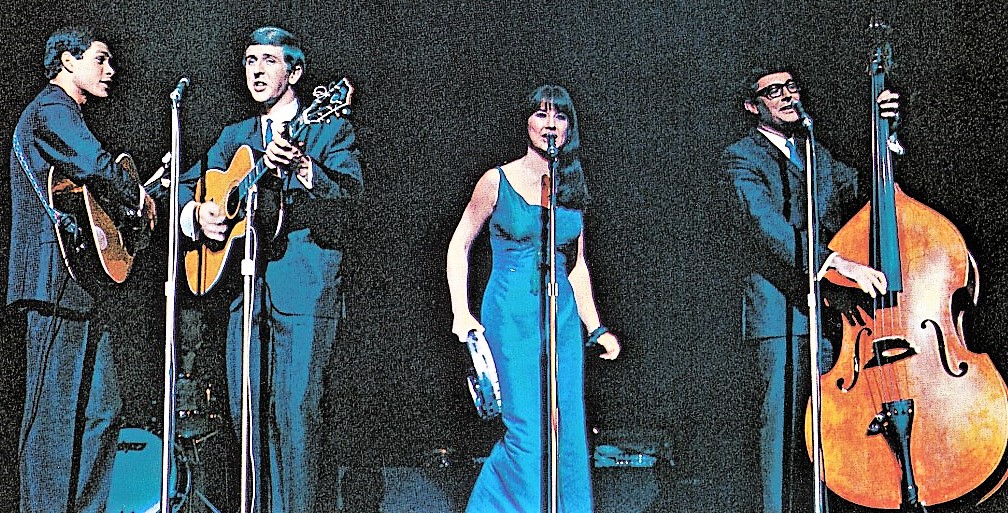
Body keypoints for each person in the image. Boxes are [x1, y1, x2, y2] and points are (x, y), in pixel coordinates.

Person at [177, 26, 363, 513]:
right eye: (249, 61)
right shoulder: (235, 136)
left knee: (296, 417)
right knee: (247, 415)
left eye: (268, 61)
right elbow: (187, 184)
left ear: (294, 72)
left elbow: (353, 200)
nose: (256, 71)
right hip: (246, 291)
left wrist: (303, 168)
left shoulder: (327, 127)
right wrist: (196, 214)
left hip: (304, 291)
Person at [719, 65, 898, 513]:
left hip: (833, 317)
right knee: (781, 437)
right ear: (752, 106)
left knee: (831, 433)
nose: (786, 96)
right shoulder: (741, 157)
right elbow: (766, 225)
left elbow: (867, 189)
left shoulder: (814, 153)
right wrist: (835, 263)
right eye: (773, 91)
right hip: (779, 317)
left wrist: (887, 137)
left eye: (791, 87)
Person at [446, 84, 621, 513]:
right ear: (526, 122)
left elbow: (576, 265)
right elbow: (459, 244)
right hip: (511, 314)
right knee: (526, 431)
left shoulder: (572, 188)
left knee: (566, 430)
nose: (550, 124)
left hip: (561, 318)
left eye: (559, 116)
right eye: (541, 114)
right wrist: (461, 312)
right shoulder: (497, 180)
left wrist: (596, 326)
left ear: (570, 127)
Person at [8, 27, 156, 513]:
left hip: (81, 286)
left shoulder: (65, 112)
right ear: (68, 62)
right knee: (54, 421)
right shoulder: (53, 108)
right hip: (54, 285)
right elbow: (94, 164)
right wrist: (139, 198)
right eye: (101, 59)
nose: (110, 70)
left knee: (102, 412)